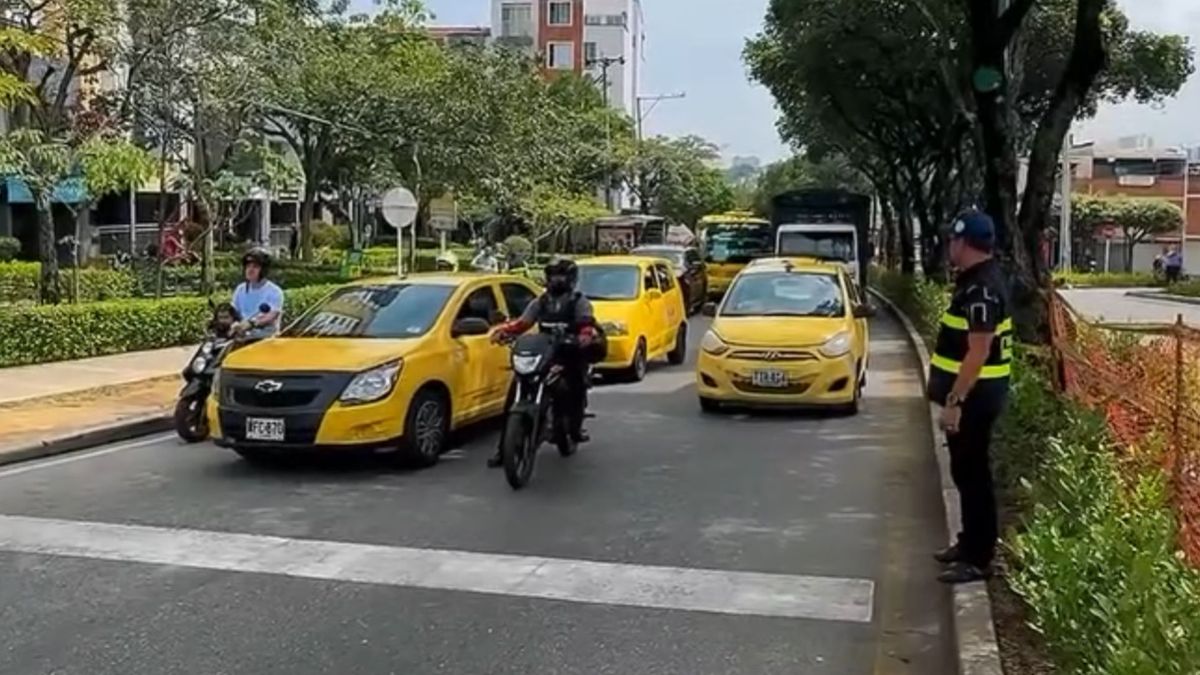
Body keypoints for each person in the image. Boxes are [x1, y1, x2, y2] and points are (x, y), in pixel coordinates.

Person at [928, 210, 1013, 584]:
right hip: (975, 395)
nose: (949, 246)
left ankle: (979, 557)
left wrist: (955, 402)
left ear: (963, 242)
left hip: (975, 399)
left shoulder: (981, 289)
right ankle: (968, 543)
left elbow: (977, 351)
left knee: (974, 475)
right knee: (965, 472)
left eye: (952, 240)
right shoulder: (975, 282)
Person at [486, 257, 599, 468]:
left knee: (575, 385)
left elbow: (586, 324)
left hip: (570, 352)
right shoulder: (540, 302)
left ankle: (574, 428)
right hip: (545, 352)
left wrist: (584, 336)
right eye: (553, 276)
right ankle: (504, 451)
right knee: (513, 396)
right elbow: (523, 323)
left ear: (571, 279)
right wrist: (504, 331)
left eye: (561, 276)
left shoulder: (579, 301)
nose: (557, 281)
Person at [232, 248, 284, 340]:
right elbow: (234, 312)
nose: (250, 270)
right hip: (242, 338)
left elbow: (272, 315)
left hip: (265, 340)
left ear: (264, 270)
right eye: (248, 266)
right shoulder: (240, 289)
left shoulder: (274, 291)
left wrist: (252, 323)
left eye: (255, 267)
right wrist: (235, 324)